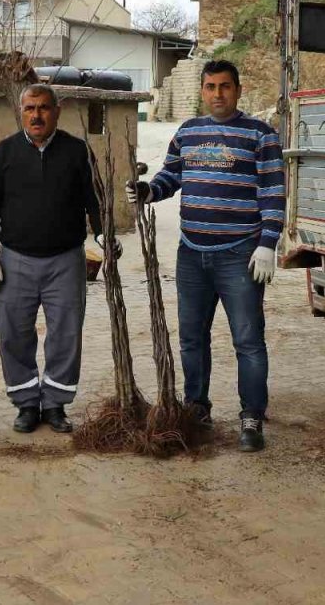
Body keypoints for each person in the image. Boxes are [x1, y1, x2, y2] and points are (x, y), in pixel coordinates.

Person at [126, 60, 285, 453]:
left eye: (225, 86)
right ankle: (197, 409)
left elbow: (272, 194)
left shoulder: (260, 136)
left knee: (248, 340)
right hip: (192, 254)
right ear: (201, 91)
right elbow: (171, 177)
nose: (218, 94)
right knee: (192, 340)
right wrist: (148, 191)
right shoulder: (188, 132)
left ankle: (251, 418)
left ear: (238, 89)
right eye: (211, 86)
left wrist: (268, 243)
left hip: (239, 255)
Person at [0, 84, 108, 435]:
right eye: (30, 108)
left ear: (57, 111)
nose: (37, 115)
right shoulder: (5, 152)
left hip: (65, 259)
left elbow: (93, 197)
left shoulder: (76, 151)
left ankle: (54, 404)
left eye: (44, 108)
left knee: (65, 334)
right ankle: (26, 405)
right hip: (16, 259)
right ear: (21, 111)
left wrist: (101, 232)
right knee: (13, 333)